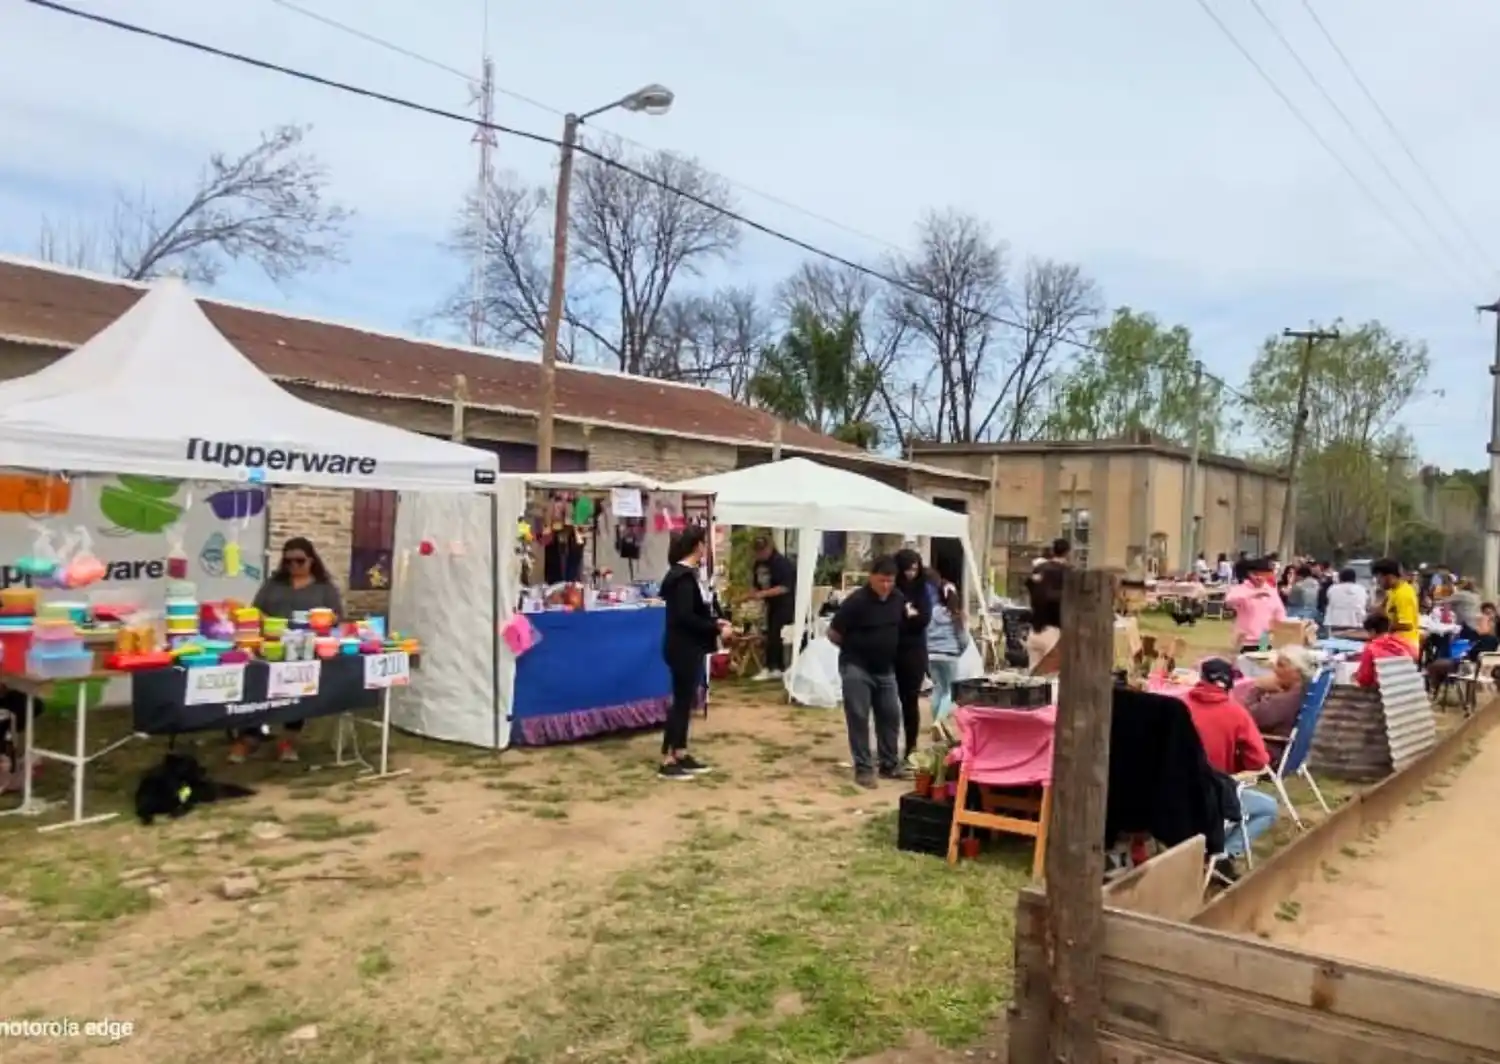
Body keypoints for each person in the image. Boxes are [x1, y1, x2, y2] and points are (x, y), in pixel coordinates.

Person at [230, 537, 343, 764]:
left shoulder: (324, 588)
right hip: (269, 645)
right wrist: (263, 620)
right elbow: (255, 610)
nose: (293, 566)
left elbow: (337, 617)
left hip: (303, 648)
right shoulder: (273, 584)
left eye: (299, 561)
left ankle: (288, 742)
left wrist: (323, 620)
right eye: (288, 561)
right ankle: (248, 738)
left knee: (296, 693)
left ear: (311, 560)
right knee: (257, 690)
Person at [1182, 658, 1277, 873]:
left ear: (1201, 678)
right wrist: (1235, 764)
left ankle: (1208, 852)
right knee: (1268, 808)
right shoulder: (1237, 713)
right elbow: (1258, 760)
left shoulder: (1179, 705)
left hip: (1169, 795)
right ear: (1231, 684)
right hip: (1211, 797)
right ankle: (1222, 854)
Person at [658, 526, 731, 781]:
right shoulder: (681, 578)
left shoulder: (688, 576)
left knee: (686, 700)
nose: (706, 548)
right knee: (680, 702)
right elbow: (685, 617)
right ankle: (668, 759)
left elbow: (696, 611)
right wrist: (716, 627)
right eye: (705, 544)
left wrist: (716, 621)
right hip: (682, 647)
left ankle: (680, 751)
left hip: (689, 645)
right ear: (698, 546)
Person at [828, 556, 907, 789]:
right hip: (857, 667)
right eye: (882, 580)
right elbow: (833, 633)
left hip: (886, 669)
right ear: (871, 577)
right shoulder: (856, 602)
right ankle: (863, 768)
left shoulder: (898, 599)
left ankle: (889, 764)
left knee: (890, 716)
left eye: (890, 581)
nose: (886, 585)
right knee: (859, 716)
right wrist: (855, 649)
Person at [893, 548, 933, 759]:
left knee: (910, 701)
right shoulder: (892, 588)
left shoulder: (922, 590)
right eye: (907, 569)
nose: (911, 574)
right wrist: (906, 616)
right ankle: (888, 746)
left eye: (914, 569)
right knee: (888, 702)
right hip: (891, 650)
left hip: (914, 652)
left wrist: (908, 618)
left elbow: (923, 619)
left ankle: (910, 747)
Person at [747, 536, 795, 682]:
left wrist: (763, 594)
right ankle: (775, 667)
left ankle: (773, 667)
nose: (760, 553)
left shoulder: (781, 563)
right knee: (770, 633)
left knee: (776, 633)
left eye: (762, 550)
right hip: (770, 604)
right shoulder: (758, 564)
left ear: (770, 547)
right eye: (757, 551)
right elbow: (756, 584)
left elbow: (785, 587)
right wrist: (753, 594)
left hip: (785, 604)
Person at [1239, 645, 1316, 736]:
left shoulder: (1284, 700)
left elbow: (1243, 719)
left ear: (1297, 672)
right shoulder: (1304, 691)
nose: (1275, 669)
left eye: (1281, 665)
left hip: (1267, 742)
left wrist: (1257, 688)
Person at [925, 572, 967, 724]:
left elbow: (925, 633)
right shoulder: (956, 616)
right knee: (949, 691)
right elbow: (963, 639)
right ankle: (939, 722)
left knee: (937, 688)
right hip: (950, 656)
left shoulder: (930, 612)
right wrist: (959, 651)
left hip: (931, 655)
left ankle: (935, 720)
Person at [1224, 557, 1286, 652]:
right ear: (1248, 574)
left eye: (1263, 574)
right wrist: (1252, 595)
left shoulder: (1271, 591)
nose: (1259, 577)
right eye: (1255, 574)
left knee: (1263, 659)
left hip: (1265, 637)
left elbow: (1279, 611)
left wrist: (1281, 628)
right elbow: (1229, 602)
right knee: (1245, 660)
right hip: (1245, 638)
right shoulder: (1240, 589)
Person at [1027, 538, 1069, 669]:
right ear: (1067, 553)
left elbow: (1031, 588)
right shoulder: (1068, 573)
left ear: (1052, 551)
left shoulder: (1039, 569)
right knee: (1053, 675)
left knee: (1034, 675)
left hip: (1034, 630)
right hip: (1055, 632)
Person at [1372, 558, 1420, 657]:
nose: (1378, 582)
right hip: (1395, 641)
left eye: (1379, 578)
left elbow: (1407, 625)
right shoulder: (1392, 591)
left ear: (1389, 577)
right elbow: (1381, 610)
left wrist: (1385, 627)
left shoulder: (1404, 594)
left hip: (1405, 645)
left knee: (1369, 652)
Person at [1356, 615, 1413, 688]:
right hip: (1410, 687)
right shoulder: (1403, 642)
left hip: (1387, 689)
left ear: (1372, 631)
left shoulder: (1371, 648)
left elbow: (1365, 677)